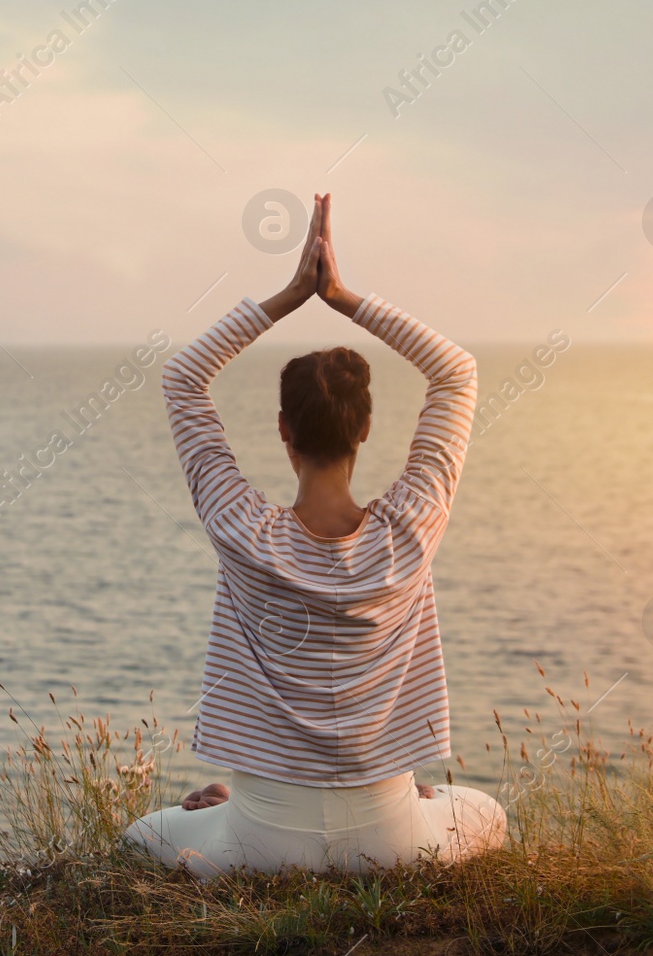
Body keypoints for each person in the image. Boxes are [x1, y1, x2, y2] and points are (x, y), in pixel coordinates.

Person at [123, 193, 505, 877]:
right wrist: (343, 296)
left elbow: (183, 379)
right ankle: (402, 799)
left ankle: (227, 809)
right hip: (389, 842)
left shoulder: (242, 531)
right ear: (364, 429)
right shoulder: (410, 532)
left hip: (261, 843)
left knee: (140, 833)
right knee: (486, 813)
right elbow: (456, 371)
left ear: (283, 432)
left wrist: (290, 295)